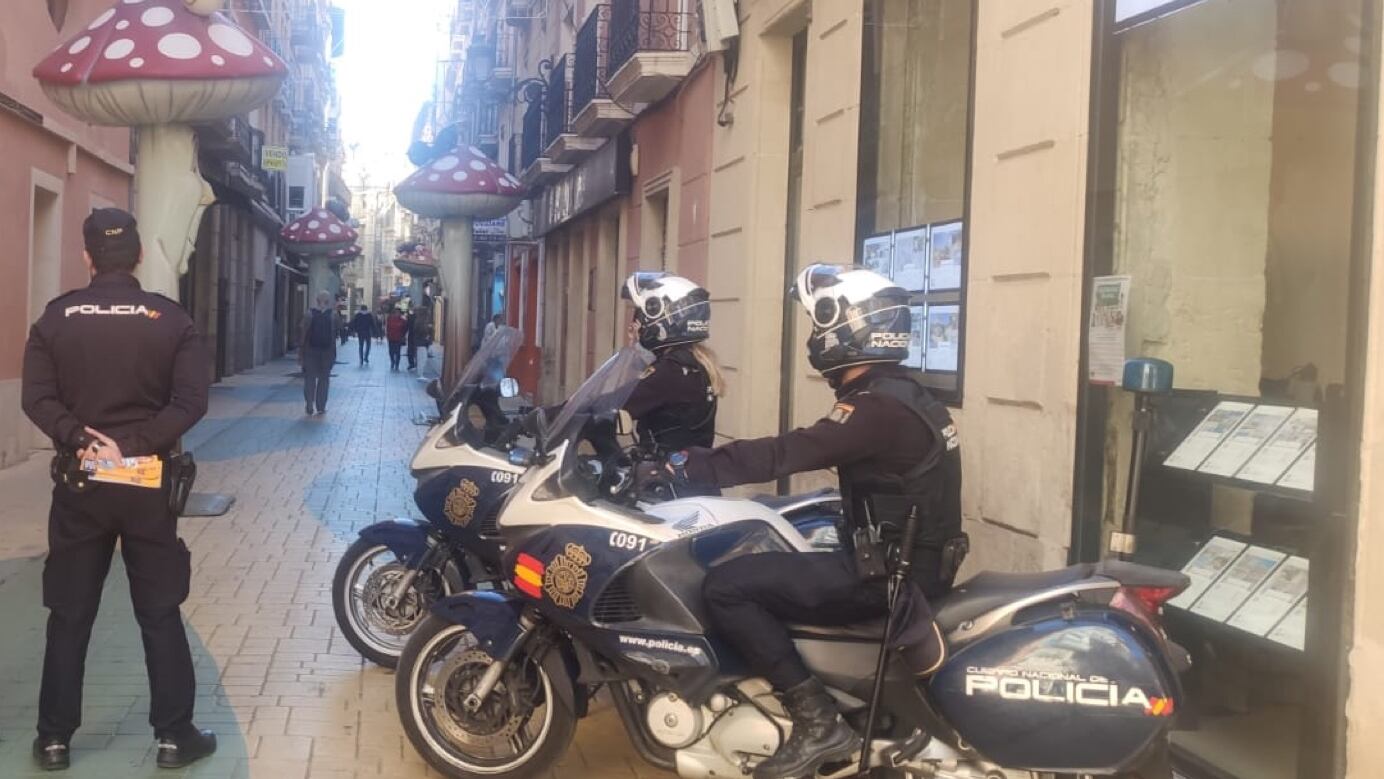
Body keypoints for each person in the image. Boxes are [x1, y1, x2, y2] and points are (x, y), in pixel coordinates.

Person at [677, 264, 963, 779]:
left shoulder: (876, 408)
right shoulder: (909, 396)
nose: (814, 337)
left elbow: (792, 450)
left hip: (889, 580)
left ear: (848, 328)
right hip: (909, 565)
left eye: (817, 324)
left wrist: (691, 465)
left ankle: (816, 722)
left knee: (726, 587)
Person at [20, 208, 217, 770]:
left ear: (86, 257)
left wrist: (83, 439)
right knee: (159, 610)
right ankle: (175, 736)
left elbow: (36, 398)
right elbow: (190, 402)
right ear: (137, 256)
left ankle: (54, 740)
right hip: (145, 483)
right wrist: (133, 446)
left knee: (70, 611)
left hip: (81, 483)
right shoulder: (168, 319)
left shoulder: (56, 319)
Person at [620, 272, 723, 454]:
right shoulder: (696, 363)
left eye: (641, 316)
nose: (637, 324)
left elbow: (620, 401)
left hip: (666, 475)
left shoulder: (671, 372)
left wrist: (636, 352)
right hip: (691, 472)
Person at [300, 291, 337, 415]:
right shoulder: (333, 315)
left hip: (310, 350)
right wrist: (333, 354)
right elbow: (334, 336)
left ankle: (309, 403)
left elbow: (303, 333)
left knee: (309, 378)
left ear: (316, 300)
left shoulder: (309, 314)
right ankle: (321, 406)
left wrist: (301, 352)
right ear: (328, 301)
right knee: (324, 379)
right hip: (327, 352)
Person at [385, 307, 408, 371]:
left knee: (397, 352)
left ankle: (397, 364)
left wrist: (403, 336)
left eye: (398, 313)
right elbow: (387, 327)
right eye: (396, 312)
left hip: (399, 338)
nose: (397, 314)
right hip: (391, 338)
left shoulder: (403, 321)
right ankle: (392, 361)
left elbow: (405, 329)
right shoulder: (390, 319)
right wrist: (387, 334)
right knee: (391, 352)